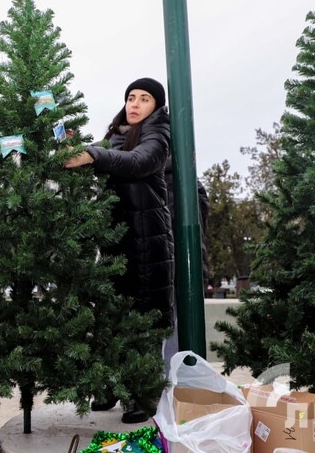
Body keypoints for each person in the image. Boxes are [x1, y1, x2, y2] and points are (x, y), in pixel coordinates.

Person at [65, 77, 174, 424]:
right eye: (131, 97)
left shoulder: (158, 136)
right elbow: (100, 158)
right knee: (112, 319)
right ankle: (112, 386)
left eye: (144, 98)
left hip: (148, 245)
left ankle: (142, 395)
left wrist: (92, 155)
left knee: (144, 323)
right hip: (116, 244)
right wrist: (72, 150)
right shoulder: (115, 136)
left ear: (155, 106)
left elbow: (136, 162)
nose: (135, 103)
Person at [162, 157, 211, 373]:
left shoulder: (155, 175)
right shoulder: (190, 180)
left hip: (169, 262)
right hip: (178, 261)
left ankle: (169, 384)